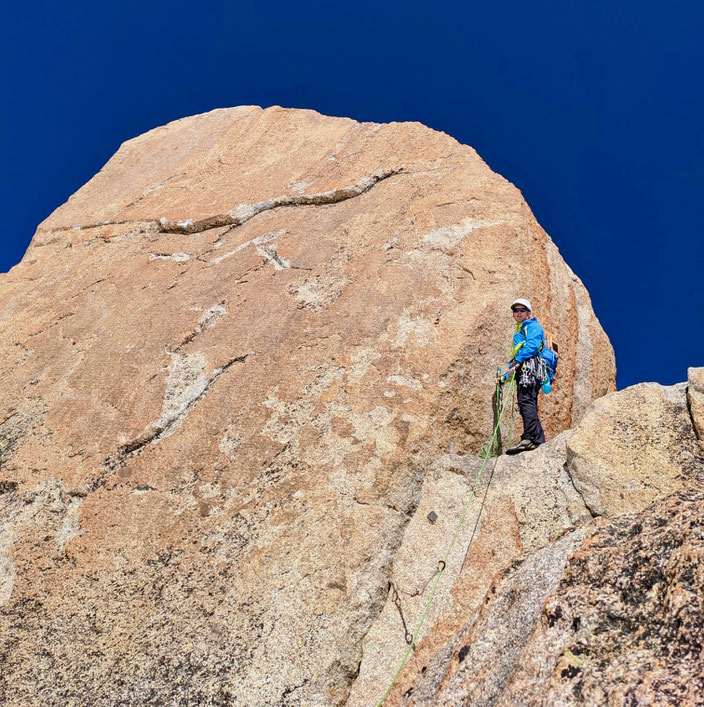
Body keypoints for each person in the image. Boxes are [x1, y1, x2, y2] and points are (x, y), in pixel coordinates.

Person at [498, 298, 546, 454]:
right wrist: (504, 379)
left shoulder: (533, 326)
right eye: (516, 310)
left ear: (528, 313)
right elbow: (515, 366)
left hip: (529, 368)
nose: (518, 313)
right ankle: (537, 439)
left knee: (526, 401)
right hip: (525, 369)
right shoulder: (521, 330)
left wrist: (518, 360)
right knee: (528, 401)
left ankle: (530, 438)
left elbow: (532, 346)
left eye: (522, 310)